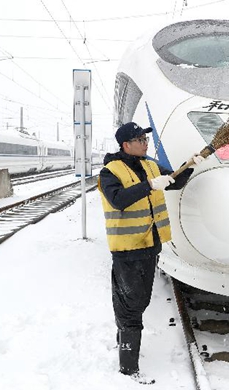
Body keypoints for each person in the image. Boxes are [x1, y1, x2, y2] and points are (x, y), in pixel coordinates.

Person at [98, 122, 204, 385]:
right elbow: (118, 199)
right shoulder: (109, 172)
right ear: (126, 145)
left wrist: (191, 164)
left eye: (145, 138)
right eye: (139, 139)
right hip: (128, 249)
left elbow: (174, 182)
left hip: (150, 245)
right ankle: (128, 368)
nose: (145, 143)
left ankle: (124, 341)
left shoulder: (150, 165)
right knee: (132, 305)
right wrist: (149, 186)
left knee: (137, 301)